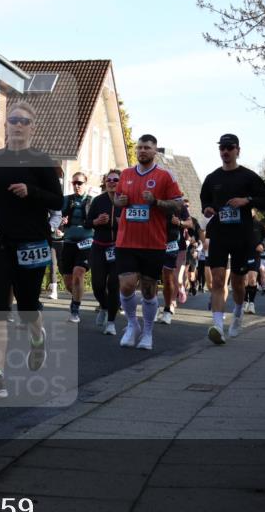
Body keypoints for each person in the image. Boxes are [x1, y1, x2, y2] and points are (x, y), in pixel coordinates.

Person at [0, 101, 62, 399]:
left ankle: (38, 338)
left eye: (24, 121)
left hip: (31, 244)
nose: (18, 125)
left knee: (26, 307)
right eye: (13, 120)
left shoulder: (42, 160)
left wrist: (31, 191)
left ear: (32, 127)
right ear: (6, 125)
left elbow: (58, 201)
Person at [199, 133, 265, 344]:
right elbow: (205, 199)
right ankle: (218, 326)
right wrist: (207, 209)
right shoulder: (212, 178)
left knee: (239, 284)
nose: (225, 151)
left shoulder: (248, 177)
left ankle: (238, 313)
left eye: (229, 147)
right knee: (218, 279)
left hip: (242, 236)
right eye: (222, 148)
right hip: (219, 235)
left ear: (238, 150)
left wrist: (246, 200)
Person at [115, 134, 184, 350]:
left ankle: (147, 333)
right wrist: (119, 201)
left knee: (148, 290)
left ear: (155, 151)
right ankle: (132, 324)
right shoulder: (125, 174)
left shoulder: (165, 176)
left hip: (153, 242)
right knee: (126, 286)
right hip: (126, 241)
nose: (142, 151)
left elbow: (178, 204)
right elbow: (116, 199)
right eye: (139, 148)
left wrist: (156, 202)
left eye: (146, 147)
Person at [85, 168, 122, 335]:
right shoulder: (98, 201)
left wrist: (118, 221)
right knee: (98, 285)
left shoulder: (125, 200)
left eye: (115, 180)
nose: (112, 182)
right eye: (109, 180)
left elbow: (134, 223)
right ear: (105, 183)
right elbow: (87, 223)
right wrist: (97, 221)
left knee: (113, 284)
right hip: (99, 247)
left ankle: (111, 323)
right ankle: (104, 307)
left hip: (119, 248)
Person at [60, 172, 94, 323]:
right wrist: (61, 221)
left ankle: (75, 309)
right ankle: (76, 297)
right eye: (74, 183)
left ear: (86, 184)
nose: (77, 186)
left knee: (78, 272)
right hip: (68, 242)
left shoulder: (92, 201)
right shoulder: (66, 200)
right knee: (68, 281)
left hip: (87, 242)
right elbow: (55, 219)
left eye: (80, 183)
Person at [159, 202, 194, 324]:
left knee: (174, 277)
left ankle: (171, 304)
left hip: (178, 246)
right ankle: (155, 305)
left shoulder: (179, 206)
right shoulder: (155, 203)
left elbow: (190, 223)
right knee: (159, 277)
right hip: (157, 244)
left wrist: (180, 223)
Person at [242, 213, 265, 314]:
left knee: (252, 279)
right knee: (244, 280)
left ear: (254, 211)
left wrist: (262, 245)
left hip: (254, 254)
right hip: (242, 255)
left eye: (250, 210)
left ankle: (251, 304)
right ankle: (245, 302)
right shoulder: (240, 223)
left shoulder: (259, 224)